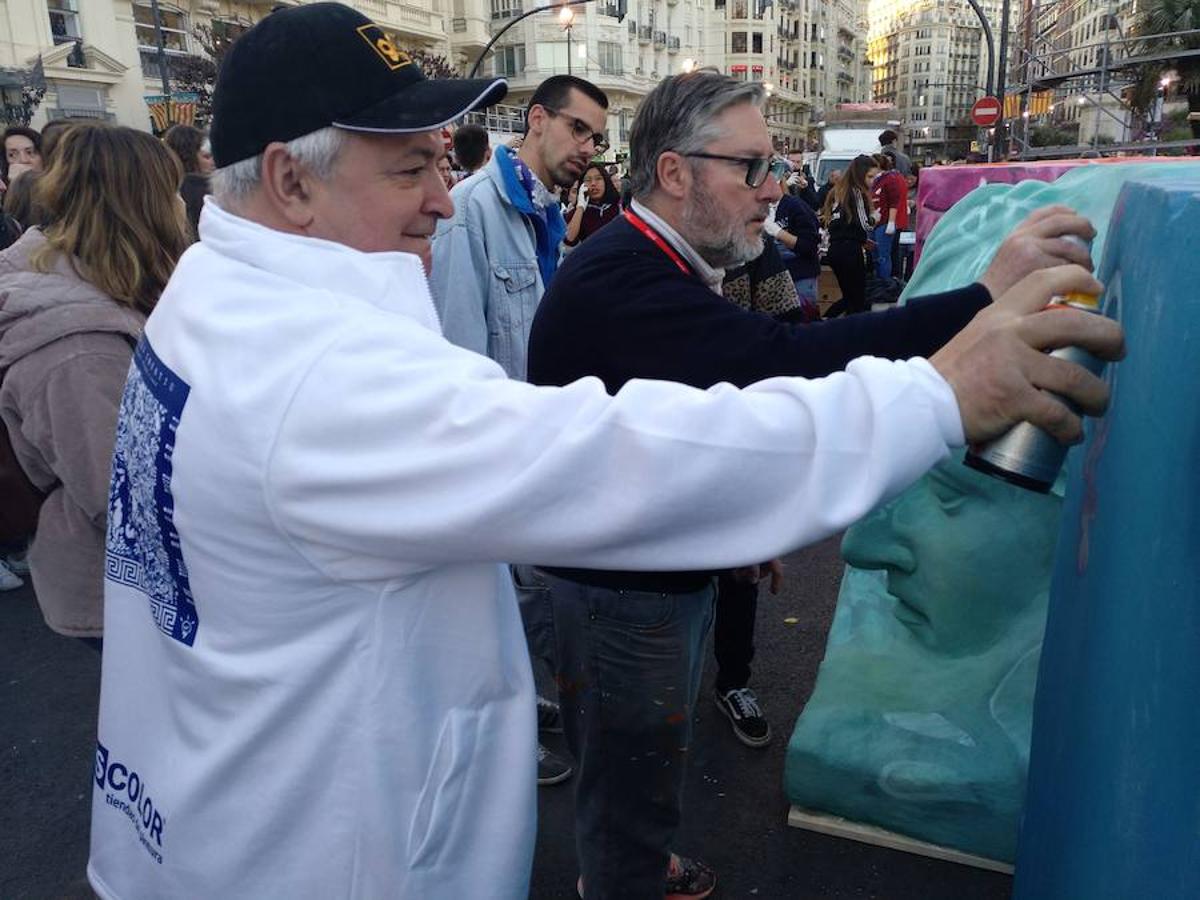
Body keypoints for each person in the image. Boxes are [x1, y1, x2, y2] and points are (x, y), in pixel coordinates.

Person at [86, 6, 1121, 899]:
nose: (445, 201)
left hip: (209, 815)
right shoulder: (316, 379)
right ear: (288, 182)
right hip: (322, 857)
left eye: (444, 163)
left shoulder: (215, 296)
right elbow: (631, 454)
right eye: (411, 168)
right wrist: (940, 395)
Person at [525, 70, 1114, 899]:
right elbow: (782, 365)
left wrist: (737, 531)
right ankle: (623, 876)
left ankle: (637, 859)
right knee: (628, 782)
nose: (774, 191)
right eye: (754, 169)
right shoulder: (622, 277)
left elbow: (694, 426)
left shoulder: (651, 259)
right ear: (673, 172)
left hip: (648, 577)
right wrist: (981, 301)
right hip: (624, 599)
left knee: (645, 772)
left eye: (775, 168)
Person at [430, 74, 609, 784]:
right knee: (498, 605)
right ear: (536, 120)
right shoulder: (472, 212)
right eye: (579, 130)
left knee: (530, 603)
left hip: (537, 449)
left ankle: (522, 705)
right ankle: (502, 735)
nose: (590, 149)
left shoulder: (540, 211)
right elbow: (459, 359)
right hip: (499, 459)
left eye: (597, 137)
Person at [0, 122, 190, 645]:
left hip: (129, 584)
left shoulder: (98, 286)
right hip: (121, 598)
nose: (181, 205)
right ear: (144, 205)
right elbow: (124, 501)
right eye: (170, 190)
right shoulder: (79, 346)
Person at [822, 153, 875, 318]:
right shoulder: (857, 192)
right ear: (860, 175)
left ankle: (826, 321)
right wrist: (875, 218)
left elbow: (836, 221)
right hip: (850, 251)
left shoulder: (837, 192)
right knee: (857, 298)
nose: (873, 181)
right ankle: (826, 321)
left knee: (850, 297)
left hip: (835, 248)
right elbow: (864, 223)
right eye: (870, 176)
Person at [765, 169, 822, 312]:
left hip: (801, 276)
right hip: (778, 278)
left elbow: (809, 245)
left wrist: (778, 232)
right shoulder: (764, 209)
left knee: (805, 318)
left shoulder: (795, 206)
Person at [163, 123, 211, 238]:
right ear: (190, 156)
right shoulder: (203, 192)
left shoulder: (164, 188)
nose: (213, 162)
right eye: (207, 157)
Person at [871, 152, 909, 282]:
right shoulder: (876, 180)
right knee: (875, 254)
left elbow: (894, 201)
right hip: (875, 222)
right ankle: (878, 279)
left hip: (884, 222)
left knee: (883, 255)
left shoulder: (889, 179)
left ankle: (885, 282)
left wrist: (891, 221)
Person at [563, 163, 621, 247]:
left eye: (598, 178)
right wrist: (580, 207)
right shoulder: (577, 213)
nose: (593, 183)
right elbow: (569, 239)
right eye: (588, 180)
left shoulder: (618, 207)